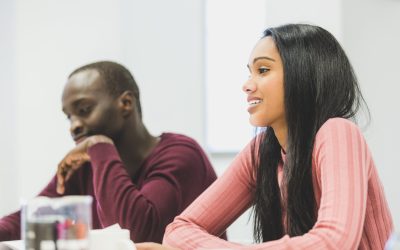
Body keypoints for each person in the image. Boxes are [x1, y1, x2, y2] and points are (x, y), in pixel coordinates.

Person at [137, 24, 394, 249]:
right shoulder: (261, 151)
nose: (247, 85)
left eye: (262, 70)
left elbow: (333, 242)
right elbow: (179, 230)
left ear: (303, 75)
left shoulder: (337, 132)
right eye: (250, 72)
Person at [0, 61, 222, 243]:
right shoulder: (87, 165)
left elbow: (132, 237)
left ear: (125, 103)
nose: (74, 125)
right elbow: (31, 218)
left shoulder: (181, 154)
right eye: (69, 116)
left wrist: (99, 145)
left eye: (84, 110)